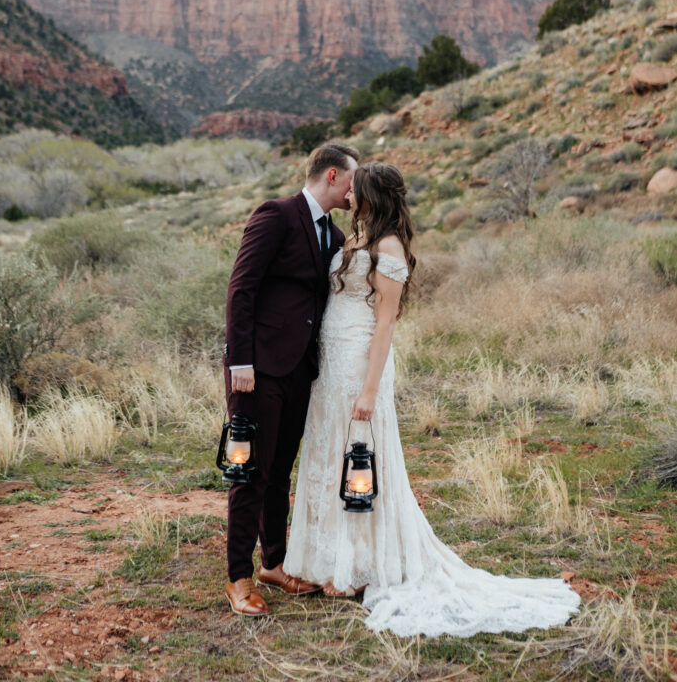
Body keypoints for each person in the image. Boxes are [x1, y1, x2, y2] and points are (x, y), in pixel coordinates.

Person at [284, 162, 580, 636]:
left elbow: (385, 324)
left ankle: (359, 567)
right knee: (326, 454)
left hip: (361, 365)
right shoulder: (355, 239)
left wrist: (369, 390)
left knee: (359, 460)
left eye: (356, 190)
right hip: (332, 367)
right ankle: (328, 560)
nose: (348, 196)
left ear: (371, 196)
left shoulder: (389, 246)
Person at [223, 143, 359, 616]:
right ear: (333, 176)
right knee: (249, 472)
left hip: (301, 370)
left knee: (280, 470)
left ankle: (273, 563)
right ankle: (238, 578)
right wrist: (240, 360)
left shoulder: (336, 235)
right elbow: (242, 287)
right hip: (256, 369)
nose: (354, 192)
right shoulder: (276, 215)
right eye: (353, 183)